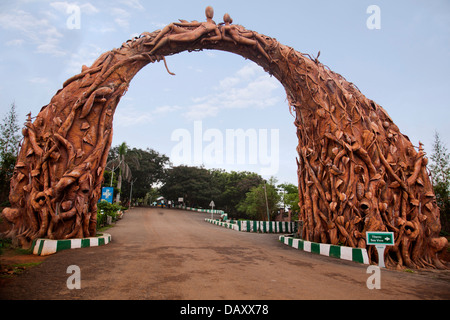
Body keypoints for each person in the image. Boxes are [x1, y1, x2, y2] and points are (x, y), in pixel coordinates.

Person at [146, 6, 221, 54]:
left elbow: (219, 37)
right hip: (190, 33)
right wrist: (176, 23)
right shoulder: (203, 23)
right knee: (171, 26)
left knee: (167, 38)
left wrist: (206, 39)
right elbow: (190, 25)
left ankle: (152, 52)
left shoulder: (213, 26)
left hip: (192, 36)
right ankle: (154, 42)